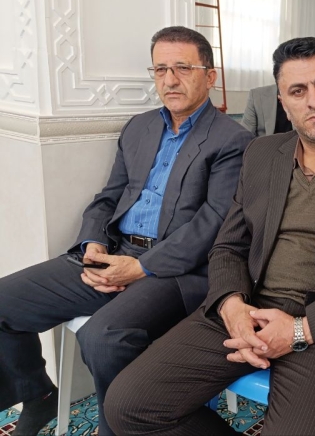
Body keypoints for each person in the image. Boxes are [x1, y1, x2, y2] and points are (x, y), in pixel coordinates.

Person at [104, 37, 315, 436]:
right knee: (128, 407)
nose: (313, 101)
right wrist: (232, 305)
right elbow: (228, 246)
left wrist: (300, 329)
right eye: (298, 91)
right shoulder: (262, 153)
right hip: (249, 307)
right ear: (284, 104)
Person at [0, 26, 252, 435]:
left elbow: (214, 223)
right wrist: (94, 242)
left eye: (183, 68)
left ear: (210, 76)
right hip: (115, 252)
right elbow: (109, 197)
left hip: (177, 271)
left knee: (103, 339)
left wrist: (141, 267)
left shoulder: (234, 140)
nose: (170, 80)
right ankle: (38, 394)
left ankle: (117, 427)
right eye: (160, 70)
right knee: (3, 302)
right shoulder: (139, 127)